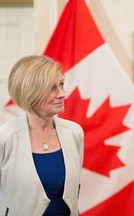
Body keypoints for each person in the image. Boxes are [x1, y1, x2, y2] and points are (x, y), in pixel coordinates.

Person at [0, 55, 84, 215]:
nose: (62, 94)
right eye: (52, 88)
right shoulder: (5, 138)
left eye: (61, 85)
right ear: (30, 92)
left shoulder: (74, 133)